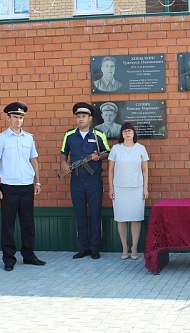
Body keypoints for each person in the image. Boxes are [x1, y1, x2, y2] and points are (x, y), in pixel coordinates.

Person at [0, 101, 46, 271]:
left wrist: (37, 181)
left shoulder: (29, 138)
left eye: (21, 117)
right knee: (8, 224)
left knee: (28, 223)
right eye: (15, 117)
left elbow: (34, 161)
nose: (18, 120)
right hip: (8, 186)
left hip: (26, 186)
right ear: (9, 117)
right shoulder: (1, 139)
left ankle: (29, 255)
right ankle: (9, 259)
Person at [60, 102, 111, 260]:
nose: (81, 119)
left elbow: (108, 152)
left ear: (90, 118)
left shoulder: (98, 134)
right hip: (76, 180)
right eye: (78, 116)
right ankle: (84, 247)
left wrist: (98, 156)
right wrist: (64, 164)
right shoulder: (69, 135)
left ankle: (95, 248)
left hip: (93, 180)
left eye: (84, 116)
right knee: (80, 213)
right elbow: (63, 153)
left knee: (95, 213)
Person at [108, 122, 149, 260]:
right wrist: (111, 188)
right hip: (119, 188)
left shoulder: (141, 148)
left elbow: (145, 170)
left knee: (136, 219)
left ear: (133, 133)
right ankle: (124, 247)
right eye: (125, 131)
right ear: (121, 133)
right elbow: (110, 170)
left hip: (137, 188)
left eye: (130, 131)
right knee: (121, 219)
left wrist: (145, 188)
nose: (127, 133)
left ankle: (134, 247)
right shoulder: (116, 149)